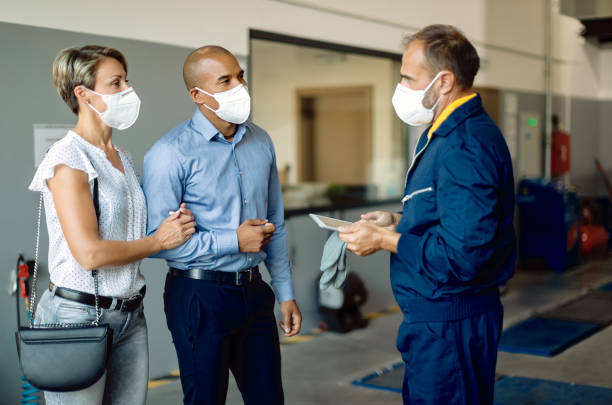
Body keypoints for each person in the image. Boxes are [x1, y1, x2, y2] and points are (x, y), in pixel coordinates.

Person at [338, 25, 516, 405]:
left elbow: (464, 255)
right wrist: (397, 222)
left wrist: (385, 241)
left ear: (444, 81)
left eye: (407, 78)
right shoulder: (444, 135)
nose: (400, 87)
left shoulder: (465, 145)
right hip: (437, 320)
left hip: (451, 323)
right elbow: (450, 219)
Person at [28, 45, 196, 405]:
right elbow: (89, 254)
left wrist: (171, 224)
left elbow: (127, 231)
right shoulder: (67, 159)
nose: (127, 91)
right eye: (116, 82)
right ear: (83, 94)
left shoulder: (122, 157)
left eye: (126, 80)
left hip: (130, 314)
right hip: (77, 317)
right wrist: (159, 241)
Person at [141, 45, 302, 405]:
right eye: (225, 80)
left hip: (255, 293)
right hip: (199, 297)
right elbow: (158, 242)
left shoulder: (261, 140)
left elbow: (275, 220)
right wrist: (234, 240)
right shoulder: (169, 154)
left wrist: (286, 291)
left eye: (240, 76)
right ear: (198, 95)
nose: (239, 86)